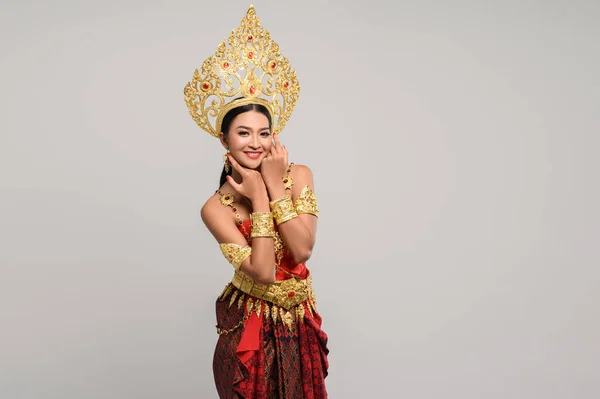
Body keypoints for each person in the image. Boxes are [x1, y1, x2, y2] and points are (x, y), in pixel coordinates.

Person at [183, 6, 329, 398]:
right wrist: (260, 197)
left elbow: (302, 250)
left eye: (264, 133)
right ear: (224, 140)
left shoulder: (298, 176)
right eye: (243, 133)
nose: (255, 143)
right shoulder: (215, 208)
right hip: (248, 328)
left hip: (299, 325)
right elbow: (263, 272)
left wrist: (272, 187)